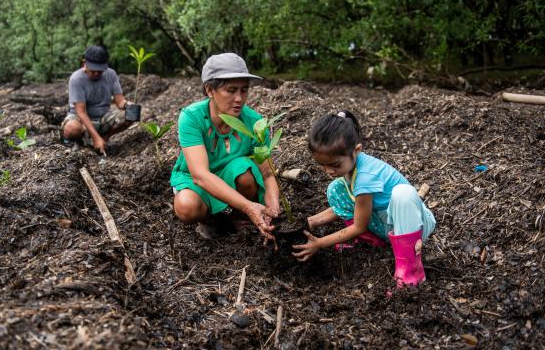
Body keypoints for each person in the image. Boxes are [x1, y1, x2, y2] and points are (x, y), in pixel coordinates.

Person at [292, 111, 436, 288]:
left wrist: (320, 243)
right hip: (387, 221)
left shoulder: (365, 178)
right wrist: (310, 222)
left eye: (335, 165)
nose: (328, 171)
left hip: (412, 225)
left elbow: (359, 225)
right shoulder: (351, 168)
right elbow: (357, 208)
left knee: (403, 193)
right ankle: (372, 242)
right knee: (335, 190)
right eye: (322, 165)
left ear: (357, 150)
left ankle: (410, 271)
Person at [170, 53, 280, 240]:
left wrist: (274, 207)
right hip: (199, 180)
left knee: (245, 174)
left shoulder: (254, 122)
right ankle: (214, 220)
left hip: (233, 175)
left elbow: (267, 173)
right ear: (209, 90)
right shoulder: (192, 118)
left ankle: (240, 219)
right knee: (186, 206)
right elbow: (200, 175)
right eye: (231, 90)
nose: (239, 98)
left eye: (244, 90)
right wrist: (248, 205)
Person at [61, 45, 133, 154]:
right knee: (71, 128)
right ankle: (79, 143)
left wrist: (128, 105)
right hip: (80, 119)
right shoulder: (76, 79)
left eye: (100, 71)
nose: (96, 73)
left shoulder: (111, 74)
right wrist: (95, 137)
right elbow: (81, 112)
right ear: (84, 63)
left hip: (103, 117)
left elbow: (120, 101)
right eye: (93, 70)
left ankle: (104, 138)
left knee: (132, 113)